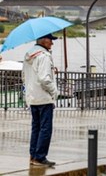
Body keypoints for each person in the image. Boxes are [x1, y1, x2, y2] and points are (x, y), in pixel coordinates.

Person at [22, 33, 59, 167]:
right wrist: (54, 92)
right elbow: (44, 79)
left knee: (36, 128)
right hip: (44, 98)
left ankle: (33, 155)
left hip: (32, 97)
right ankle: (40, 157)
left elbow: (24, 77)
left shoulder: (28, 56)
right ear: (44, 41)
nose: (52, 43)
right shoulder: (43, 56)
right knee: (45, 128)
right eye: (51, 40)